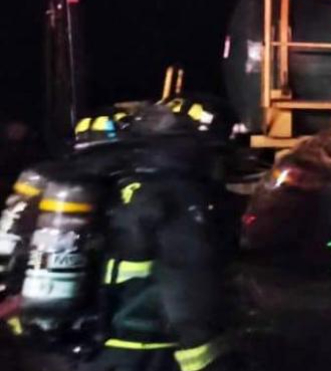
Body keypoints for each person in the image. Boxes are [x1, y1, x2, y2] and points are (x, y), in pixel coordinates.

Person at [77, 98, 241, 371]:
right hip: (151, 353)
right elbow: (185, 289)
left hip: (96, 351)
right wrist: (210, 361)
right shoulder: (177, 197)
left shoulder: (120, 188)